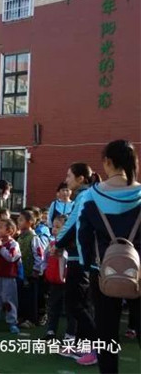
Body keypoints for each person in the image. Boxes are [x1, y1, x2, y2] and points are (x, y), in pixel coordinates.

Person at [77, 140, 141, 373]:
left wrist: (86, 265)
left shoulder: (91, 196)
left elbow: (82, 236)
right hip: (138, 272)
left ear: (107, 162)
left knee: (106, 334)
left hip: (103, 271)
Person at [55, 162, 100, 365]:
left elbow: (72, 224)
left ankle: (97, 346)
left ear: (81, 178)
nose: (66, 181)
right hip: (83, 257)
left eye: (69, 176)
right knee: (81, 303)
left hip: (81, 258)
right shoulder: (89, 194)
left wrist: (56, 244)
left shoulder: (85, 196)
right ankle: (83, 345)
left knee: (75, 304)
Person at [42, 214, 75, 341]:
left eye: (58, 227)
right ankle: (51, 331)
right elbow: (45, 258)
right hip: (55, 281)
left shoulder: (70, 246)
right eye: (53, 227)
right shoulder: (51, 244)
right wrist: (44, 269)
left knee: (70, 308)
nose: (54, 230)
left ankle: (70, 334)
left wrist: (60, 253)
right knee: (53, 306)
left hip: (68, 281)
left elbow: (69, 260)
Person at [16, 209, 43, 329]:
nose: (18, 222)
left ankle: (31, 319)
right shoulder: (20, 237)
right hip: (21, 273)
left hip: (31, 273)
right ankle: (21, 317)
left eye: (21, 220)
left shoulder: (34, 237)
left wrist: (36, 270)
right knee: (22, 296)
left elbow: (39, 255)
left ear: (30, 222)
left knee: (31, 297)